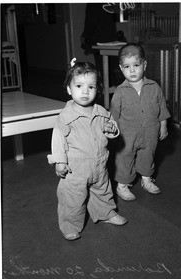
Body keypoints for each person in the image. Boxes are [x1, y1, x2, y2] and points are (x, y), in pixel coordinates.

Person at [47, 59, 127, 241]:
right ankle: (70, 225)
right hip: (75, 169)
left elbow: (112, 128)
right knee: (73, 199)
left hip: (100, 165)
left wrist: (111, 130)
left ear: (97, 90)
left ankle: (106, 213)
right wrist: (60, 161)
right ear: (69, 89)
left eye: (91, 87)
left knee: (103, 191)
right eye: (79, 85)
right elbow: (58, 139)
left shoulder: (101, 111)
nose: (85, 91)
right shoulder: (66, 117)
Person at [110, 43, 171, 201]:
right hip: (127, 135)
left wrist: (163, 125)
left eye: (136, 65)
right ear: (121, 68)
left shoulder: (154, 87)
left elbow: (162, 107)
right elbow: (114, 114)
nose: (132, 70)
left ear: (144, 64)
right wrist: (111, 131)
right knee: (125, 158)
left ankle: (146, 179)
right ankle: (122, 185)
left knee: (148, 156)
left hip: (150, 133)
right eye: (127, 66)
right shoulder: (120, 92)